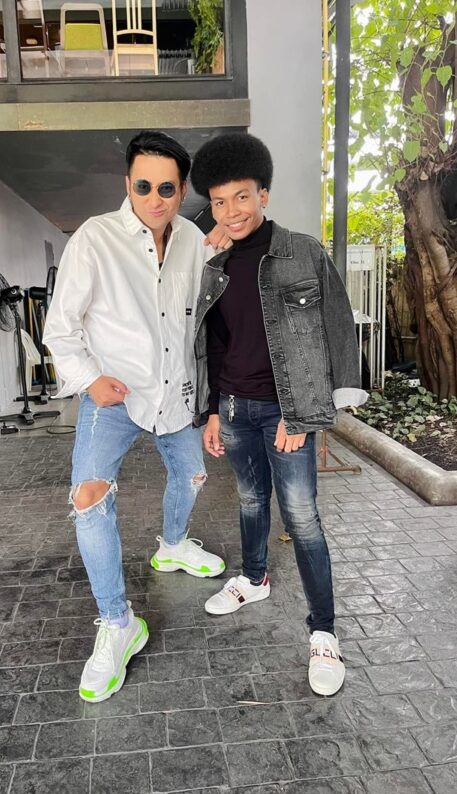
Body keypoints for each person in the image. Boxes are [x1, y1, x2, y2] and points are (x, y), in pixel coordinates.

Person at [43, 131, 228, 704]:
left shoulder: (194, 240)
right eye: (143, 186)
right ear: (128, 184)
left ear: (182, 189)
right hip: (115, 396)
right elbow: (60, 327)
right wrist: (89, 379)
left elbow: (205, 309)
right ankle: (118, 621)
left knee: (192, 476)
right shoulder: (95, 238)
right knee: (88, 497)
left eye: (167, 188)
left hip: (178, 391)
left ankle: (172, 544)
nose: (154, 198)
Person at [190, 133, 368, 696]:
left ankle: (324, 632)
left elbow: (335, 328)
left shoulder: (302, 252)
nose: (231, 211)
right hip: (234, 406)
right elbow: (214, 343)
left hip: (286, 412)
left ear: (263, 194)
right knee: (249, 499)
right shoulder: (215, 263)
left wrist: (305, 415)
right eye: (219, 202)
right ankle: (253, 578)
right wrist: (213, 411)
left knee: (302, 516)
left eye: (241, 197)